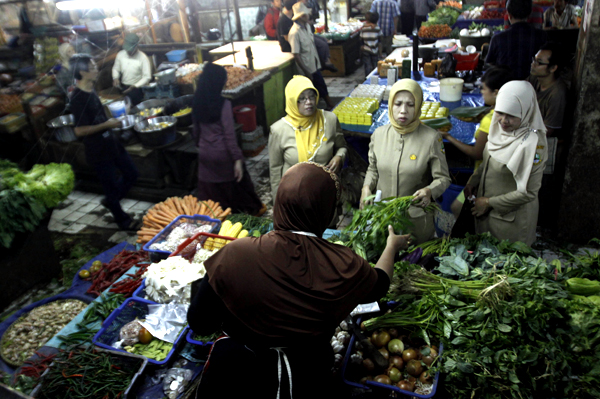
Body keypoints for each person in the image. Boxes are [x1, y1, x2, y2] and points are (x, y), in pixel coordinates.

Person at [187, 162, 411, 399]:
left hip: (235, 377)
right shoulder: (343, 265)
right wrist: (391, 246)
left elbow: (200, 323)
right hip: (305, 379)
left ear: (279, 202)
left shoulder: (235, 254)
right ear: (327, 211)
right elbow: (380, 284)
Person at [360, 79, 451, 244]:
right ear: (390, 105)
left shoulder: (431, 139)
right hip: (383, 217)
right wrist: (366, 187)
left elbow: (443, 178)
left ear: (418, 106)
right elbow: (373, 169)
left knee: (413, 263)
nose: (403, 111)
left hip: (415, 221)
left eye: (410, 105)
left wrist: (430, 191)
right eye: (398, 104)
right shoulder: (379, 135)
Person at [464, 81, 547, 246]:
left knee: (506, 265)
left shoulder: (533, 144)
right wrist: (473, 181)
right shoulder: (498, 129)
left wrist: (488, 202)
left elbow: (528, 192)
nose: (503, 120)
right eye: (500, 112)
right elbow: (489, 159)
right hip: (487, 216)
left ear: (526, 112)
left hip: (511, 224)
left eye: (511, 115)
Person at [69, 54, 139, 231]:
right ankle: (123, 220)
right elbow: (79, 130)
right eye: (92, 67)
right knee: (110, 186)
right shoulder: (77, 99)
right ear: (82, 72)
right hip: (98, 150)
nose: (96, 69)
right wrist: (107, 124)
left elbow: (98, 117)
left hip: (111, 143)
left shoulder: (91, 89)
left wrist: (115, 119)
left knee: (132, 174)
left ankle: (111, 200)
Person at [444, 66, 512, 233]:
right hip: (490, 176)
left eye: (483, 89)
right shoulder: (505, 113)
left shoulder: (491, 120)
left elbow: (477, 153)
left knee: (460, 208)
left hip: (484, 177)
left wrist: (449, 137)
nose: (481, 92)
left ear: (496, 93)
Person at [192, 63, 265, 216]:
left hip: (205, 154)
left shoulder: (197, 102)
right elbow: (229, 136)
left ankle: (217, 218)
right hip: (223, 155)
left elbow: (196, 132)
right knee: (237, 185)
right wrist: (237, 159)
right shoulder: (224, 104)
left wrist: (202, 146)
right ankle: (249, 211)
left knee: (212, 194)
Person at [268, 75, 347, 200]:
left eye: (311, 96)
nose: (309, 102)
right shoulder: (278, 130)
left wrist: (339, 157)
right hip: (293, 194)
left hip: (325, 191)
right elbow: (275, 169)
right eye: (301, 99)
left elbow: (342, 147)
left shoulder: (329, 120)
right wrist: (278, 201)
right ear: (292, 101)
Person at [288, 2, 335, 109]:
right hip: (306, 67)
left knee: (320, 86)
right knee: (311, 91)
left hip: (314, 64)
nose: (308, 16)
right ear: (301, 17)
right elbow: (296, 54)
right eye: (306, 14)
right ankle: (325, 106)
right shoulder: (294, 33)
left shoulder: (307, 27)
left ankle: (326, 105)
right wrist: (306, 71)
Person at [485, 0, 547, 80]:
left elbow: (488, 64)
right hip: (533, 87)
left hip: (505, 86)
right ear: (529, 14)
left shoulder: (498, 38)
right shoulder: (542, 36)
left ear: (509, 15)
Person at [527, 42, 568, 137]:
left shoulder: (557, 94)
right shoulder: (534, 78)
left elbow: (547, 131)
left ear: (553, 68)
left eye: (539, 62)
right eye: (534, 60)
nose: (533, 64)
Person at [112, 33, 152, 106]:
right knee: (128, 108)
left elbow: (147, 77)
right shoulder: (121, 54)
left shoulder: (143, 58)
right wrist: (115, 78)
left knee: (138, 107)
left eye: (131, 50)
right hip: (124, 87)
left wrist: (135, 86)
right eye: (127, 50)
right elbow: (116, 68)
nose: (129, 51)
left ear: (137, 46)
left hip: (138, 89)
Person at [361, 12, 383, 76]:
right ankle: (375, 78)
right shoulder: (377, 29)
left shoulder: (364, 29)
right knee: (375, 65)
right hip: (375, 50)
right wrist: (380, 53)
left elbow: (361, 38)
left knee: (367, 65)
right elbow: (380, 41)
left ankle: (367, 78)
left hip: (366, 49)